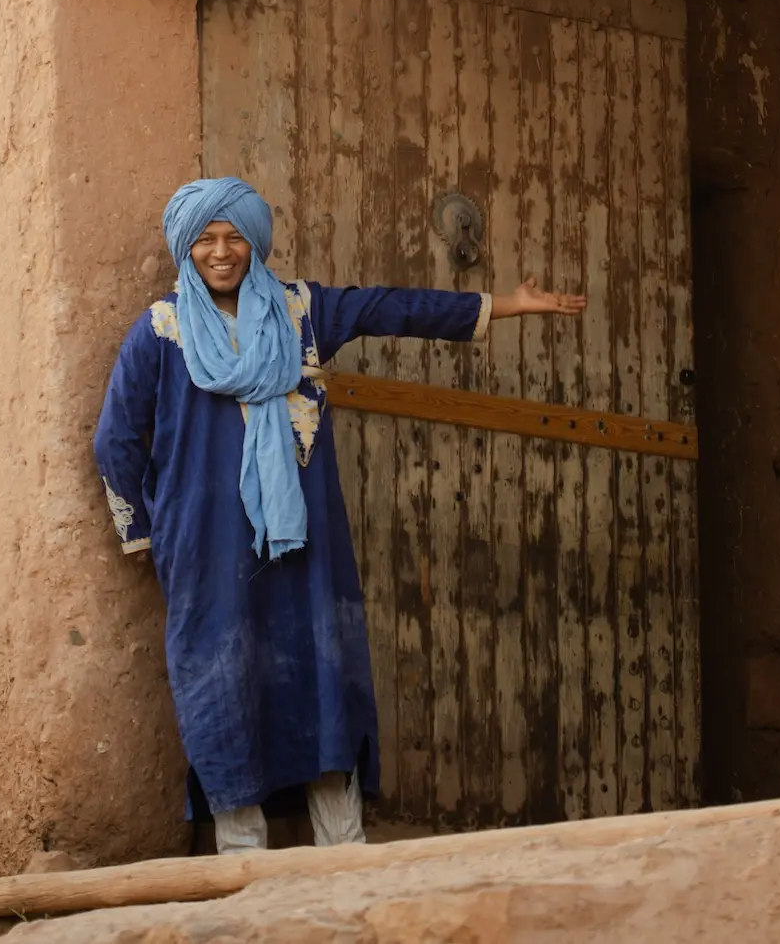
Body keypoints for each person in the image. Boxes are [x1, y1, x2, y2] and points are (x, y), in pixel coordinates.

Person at [94, 175, 585, 853]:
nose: (221, 250)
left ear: (255, 242)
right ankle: (244, 872)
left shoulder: (302, 312)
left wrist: (507, 303)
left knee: (321, 679)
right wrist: (148, 536)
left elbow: (394, 308)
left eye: (234, 235)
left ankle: (346, 857)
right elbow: (114, 439)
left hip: (304, 547)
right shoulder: (161, 331)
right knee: (221, 684)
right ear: (186, 246)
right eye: (205, 238)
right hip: (206, 553)